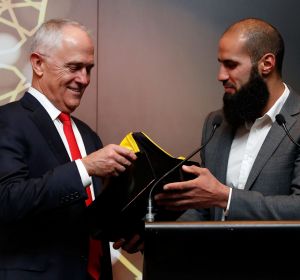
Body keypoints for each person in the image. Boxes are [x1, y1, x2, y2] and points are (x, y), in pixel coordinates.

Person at [0, 19, 137, 280]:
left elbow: (89, 220)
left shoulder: (88, 136)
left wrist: (128, 231)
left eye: (89, 69)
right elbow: (7, 200)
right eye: (74, 67)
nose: (84, 79)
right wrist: (85, 168)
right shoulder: (7, 121)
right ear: (38, 63)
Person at [155, 18, 300, 221]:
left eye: (231, 65)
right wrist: (155, 234)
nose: (221, 76)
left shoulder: (295, 125)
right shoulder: (216, 123)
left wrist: (227, 198)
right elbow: (203, 209)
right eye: (221, 64)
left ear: (266, 64)